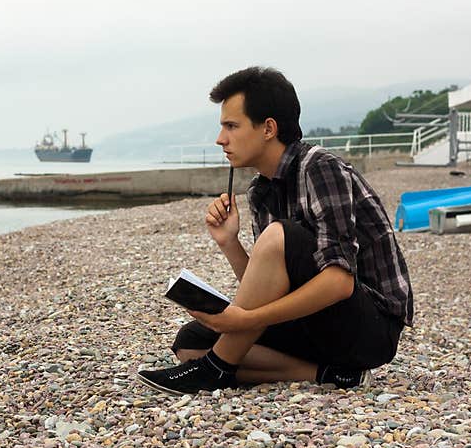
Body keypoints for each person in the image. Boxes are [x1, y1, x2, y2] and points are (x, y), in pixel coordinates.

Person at [137, 66, 413, 395]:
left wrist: (246, 321)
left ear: (268, 128)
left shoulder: (321, 169)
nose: (220, 138)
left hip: (368, 329)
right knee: (190, 343)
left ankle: (215, 370)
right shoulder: (261, 191)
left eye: (231, 126)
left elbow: (339, 282)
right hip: (315, 324)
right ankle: (330, 375)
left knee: (278, 239)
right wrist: (229, 243)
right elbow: (269, 286)